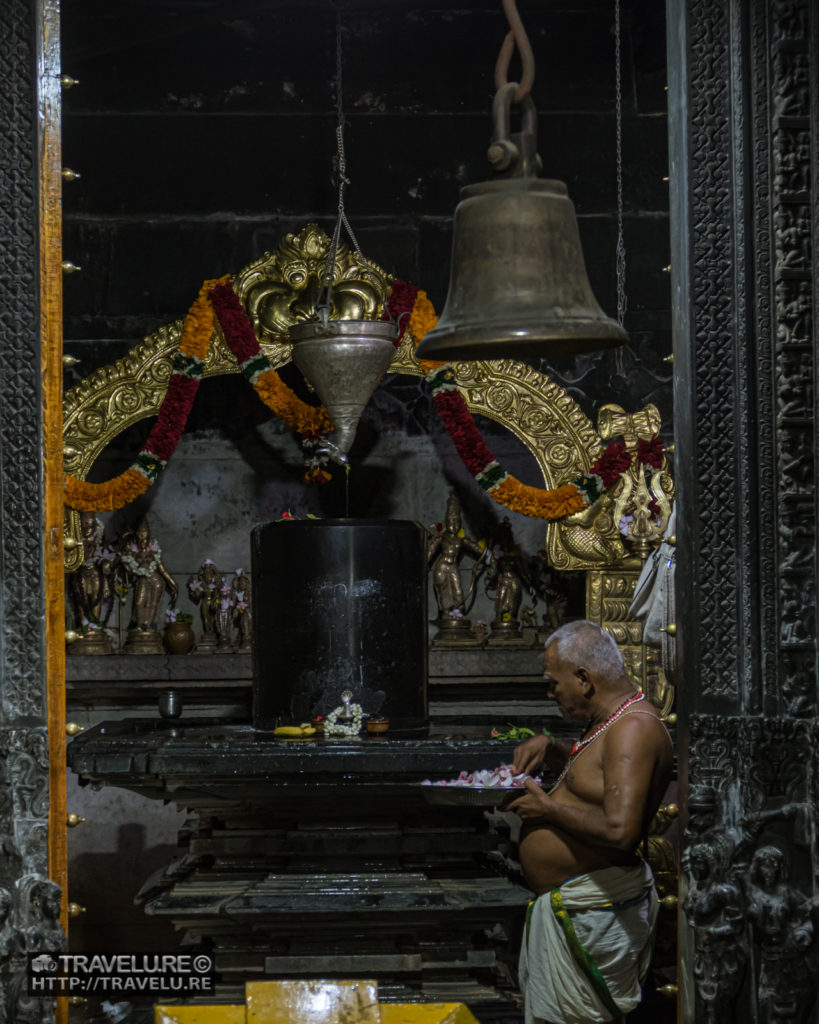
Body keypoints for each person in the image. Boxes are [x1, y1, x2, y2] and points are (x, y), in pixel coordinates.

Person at [508, 620, 673, 1024]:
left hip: (595, 913)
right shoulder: (610, 721)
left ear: (583, 678)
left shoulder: (633, 728)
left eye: (554, 683)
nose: (551, 694)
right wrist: (553, 749)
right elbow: (595, 776)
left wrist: (548, 811)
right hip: (576, 909)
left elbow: (620, 831)